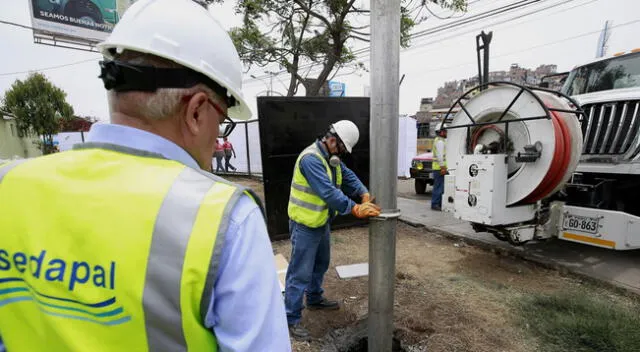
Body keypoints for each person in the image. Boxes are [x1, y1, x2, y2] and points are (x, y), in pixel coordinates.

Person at [0, 1, 290, 351]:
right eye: (221, 120)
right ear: (197, 110)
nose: (217, 139)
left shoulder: (9, 185)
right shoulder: (225, 220)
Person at [285, 120, 381, 340]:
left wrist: (363, 192)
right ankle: (290, 318)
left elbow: (347, 175)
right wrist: (355, 208)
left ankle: (315, 298)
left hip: (320, 221)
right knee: (299, 272)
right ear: (331, 139)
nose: (342, 153)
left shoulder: (331, 157)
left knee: (320, 263)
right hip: (304, 224)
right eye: (341, 148)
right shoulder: (311, 159)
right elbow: (328, 193)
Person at [431, 128, 447, 211]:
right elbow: (440, 156)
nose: (446, 132)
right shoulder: (440, 142)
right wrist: (443, 167)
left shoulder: (439, 140)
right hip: (439, 168)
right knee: (438, 187)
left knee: (440, 187)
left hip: (439, 168)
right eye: (445, 131)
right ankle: (435, 204)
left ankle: (439, 203)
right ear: (441, 132)